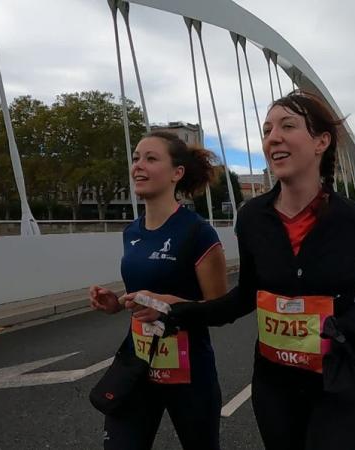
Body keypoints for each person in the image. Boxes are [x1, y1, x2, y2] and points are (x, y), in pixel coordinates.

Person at [122, 91, 355, 450]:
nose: (273, 137)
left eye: (288, 126)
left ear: (321, 142)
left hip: (337, 380)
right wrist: (175, 309)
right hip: (275, 386)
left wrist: (354, 324)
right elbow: (243, 296)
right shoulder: (253, 217)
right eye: (267, 129)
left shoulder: (351, 218)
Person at [88, 131, 228, 450]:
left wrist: (171, 306)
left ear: (176, 173)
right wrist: (114, 303)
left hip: (190, 371)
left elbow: (220, 309)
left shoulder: (198, 233)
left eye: (151, 159)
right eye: (136, 158)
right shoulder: (131, 232)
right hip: (138, 363)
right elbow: (142, 296)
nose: (139, 165)